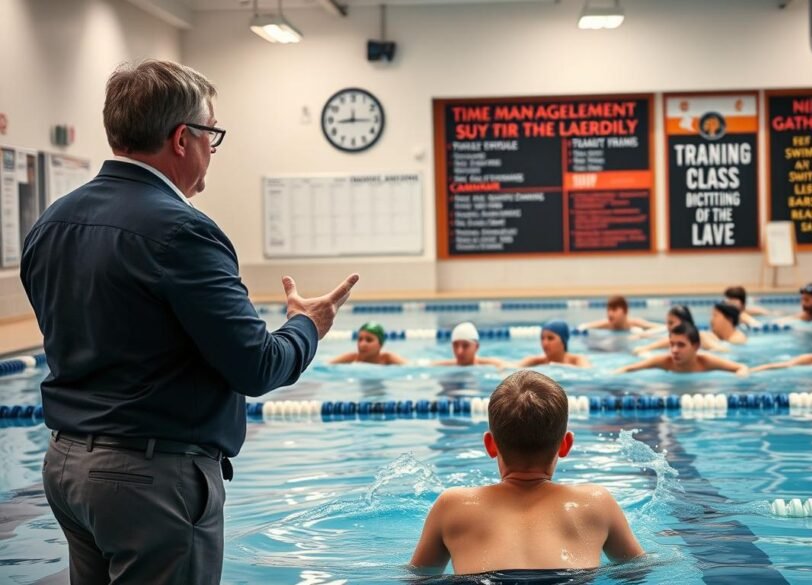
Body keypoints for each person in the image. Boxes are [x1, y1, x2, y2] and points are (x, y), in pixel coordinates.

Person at [19, 60, 360, 584]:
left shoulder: (52, 222)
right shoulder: (183, 232)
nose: (211, 152)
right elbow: (256, 366)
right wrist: (307, 325)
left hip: (66, 467)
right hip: (150, 479)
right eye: (212, 136)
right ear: (183, 138)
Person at [410, 370, 644, 574]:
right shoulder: (596, 503)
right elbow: (637, 572)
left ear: (490, 445)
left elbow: (418, 579)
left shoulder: (452, 506)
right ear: (566, 445)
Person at [616, 322, 748, 375]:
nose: (674, 350)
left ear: (696, 346)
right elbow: (628, 368)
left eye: (681, 345)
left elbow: (741, 367)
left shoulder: (705, 361)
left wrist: (740, 377)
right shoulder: (664, 361)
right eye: (672, 344)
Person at [631, 305, 727, 354]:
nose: (668, 327)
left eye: (671, 323)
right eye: (667, 323)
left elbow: (722, 351)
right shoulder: (672, 337)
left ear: (685, 322)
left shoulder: (701, 336)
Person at [518, 320, 591, 367]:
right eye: (542, 338)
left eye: (550, 338)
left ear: (563, 341)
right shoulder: (535, 361)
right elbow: (514, 367)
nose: (545, 343)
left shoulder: (578, 360)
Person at [328, 322, 407, 365]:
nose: (362, 344)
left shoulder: (387, 358)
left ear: (380, 344)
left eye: (369, 340)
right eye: (360, 339)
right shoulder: (352, 358)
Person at [432, 322, 507, 367]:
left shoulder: (493, 364)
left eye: (465, 346)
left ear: (476, 347)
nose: (459, 351)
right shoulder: (442, 365)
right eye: (455, 345)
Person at [579, 295, 660, 331]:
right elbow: (583, 327)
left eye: (614, 310)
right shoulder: (606, 324)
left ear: (625, 311)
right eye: (608, 310)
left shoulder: (635, 323)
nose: (610, 314)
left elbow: (661, 328)